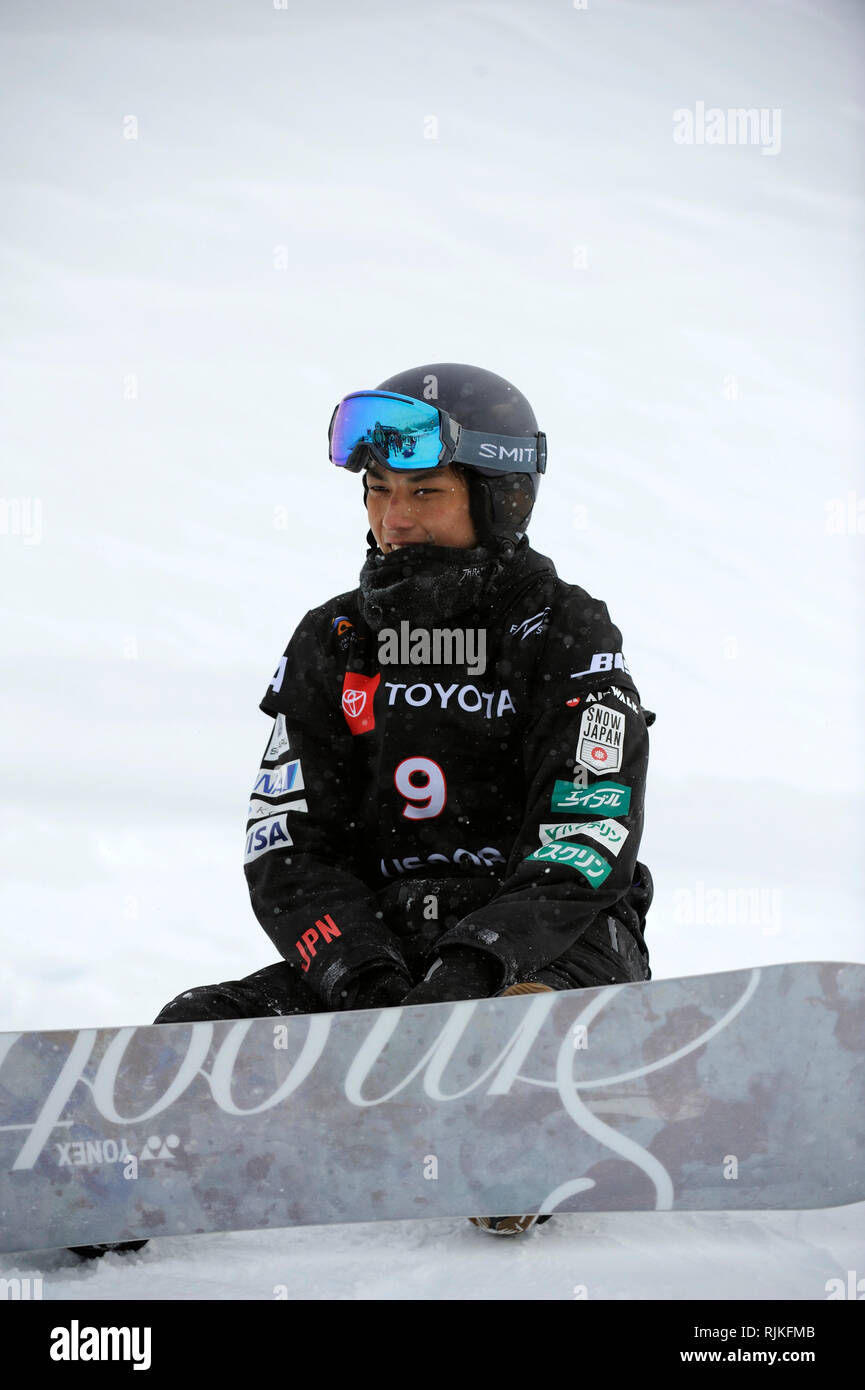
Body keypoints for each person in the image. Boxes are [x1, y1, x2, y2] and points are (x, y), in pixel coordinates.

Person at [71, 362, 654, 1256]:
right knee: (190, 1034)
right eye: (378, 492)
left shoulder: (566, 631)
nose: (395, 518)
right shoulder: (333, 637)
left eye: (423, 491)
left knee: (508, 1031)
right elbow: (287, 846)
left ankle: (517, 1137)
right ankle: (109, 1188)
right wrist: (358, 973)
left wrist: (475, 965)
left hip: (550, 951)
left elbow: (586, 834)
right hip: (382, 961)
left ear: (503, 501)